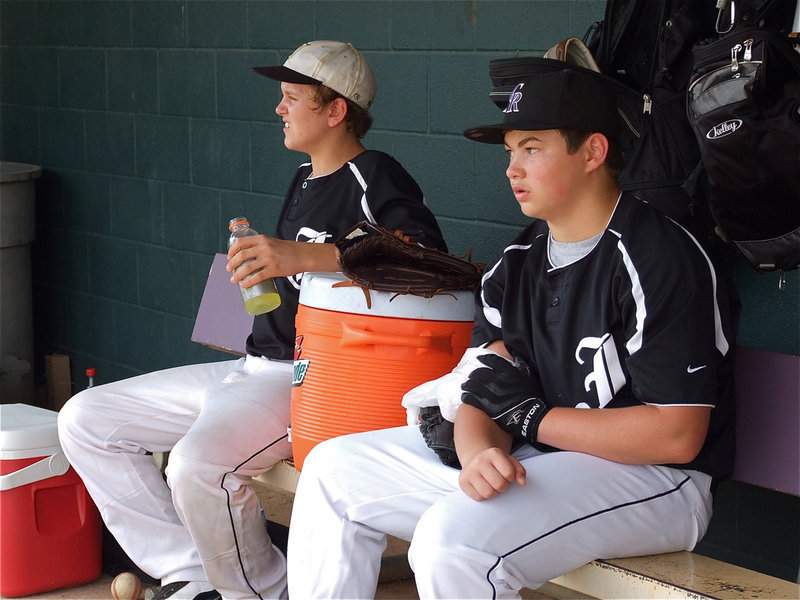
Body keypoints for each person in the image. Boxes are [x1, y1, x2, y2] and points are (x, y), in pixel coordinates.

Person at [285, 69, 740, 599]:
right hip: (540, 460)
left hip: (657, 483)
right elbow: (487, 387)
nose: (512, 169)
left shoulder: (660, 257)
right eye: (508, 152)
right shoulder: (516, 263)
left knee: (452, 544)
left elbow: (676, 436)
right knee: (332, 471)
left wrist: (532, 419)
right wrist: (478, 451)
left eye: (531, 148)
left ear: (592, 152)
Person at [57, 40, 446, 600]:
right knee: (85, 419)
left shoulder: (377, 175)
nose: (279, 108)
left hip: (313, 381)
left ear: (335, 111)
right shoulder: (305, 178)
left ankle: (256, 591)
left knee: (196, 465)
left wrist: (306, 256)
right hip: (254, 364)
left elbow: (427, 261)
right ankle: (192, 572)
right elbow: (296, 272)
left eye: (292, 98)